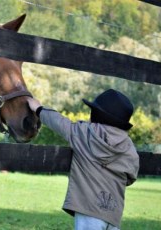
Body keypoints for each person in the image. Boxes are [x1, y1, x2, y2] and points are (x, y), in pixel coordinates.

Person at [27, 89, 139, 230]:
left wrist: (39, 109)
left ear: (96, 115)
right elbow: (131, 176)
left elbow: (60, 123)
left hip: (88, 210)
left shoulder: (84, 134)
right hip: (113, 213)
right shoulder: (128, 146)